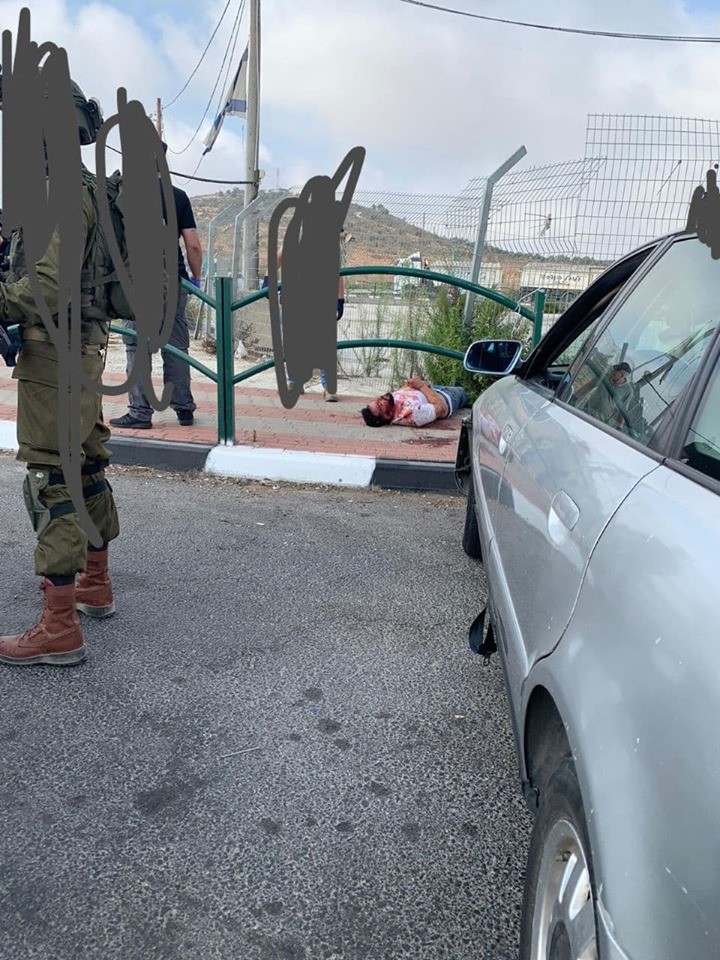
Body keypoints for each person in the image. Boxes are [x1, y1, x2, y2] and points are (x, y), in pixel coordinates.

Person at [0, 81, 120, 667]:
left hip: (55, 356)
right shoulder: (85, 188)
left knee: (51, 478)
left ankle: (59, 627)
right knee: (88, 466)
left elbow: (48, 285)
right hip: (85, 351)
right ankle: (94, 584)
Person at [110, 143, 202, 429]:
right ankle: (184, 408)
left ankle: (140, 412)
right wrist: (195, 278)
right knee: (176, 346)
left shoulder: (123, 195)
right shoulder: (178, 196)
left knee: (137, 346)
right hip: (174, 280)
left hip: (137, 282)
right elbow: (193, 244)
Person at [361, 377, 468, 427]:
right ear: (387, 415)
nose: (380, 398)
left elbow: (401, 393)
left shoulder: (390, 403)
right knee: (465, 391)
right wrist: (421, 386)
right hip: (447, 396)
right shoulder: (413, 414)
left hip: (430, 389)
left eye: (375, 400)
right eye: (379, 404)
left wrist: (414, 384)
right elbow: (442, 408)